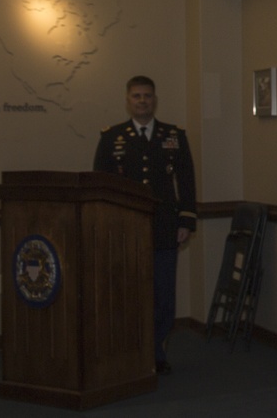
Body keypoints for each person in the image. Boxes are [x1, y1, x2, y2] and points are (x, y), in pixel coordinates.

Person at [93, 75, 196, 375]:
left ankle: (156, 354)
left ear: (155, 100)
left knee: (163, 295)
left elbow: (186, 181)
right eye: (136, 96)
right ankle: (129, 353)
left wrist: (186, 220)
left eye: (147, 96)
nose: (142, 101)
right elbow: (101, 184)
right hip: (124, 230)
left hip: (165, 229)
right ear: (128, 100)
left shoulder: (173, 136)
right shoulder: (112, 138)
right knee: (128, 293)